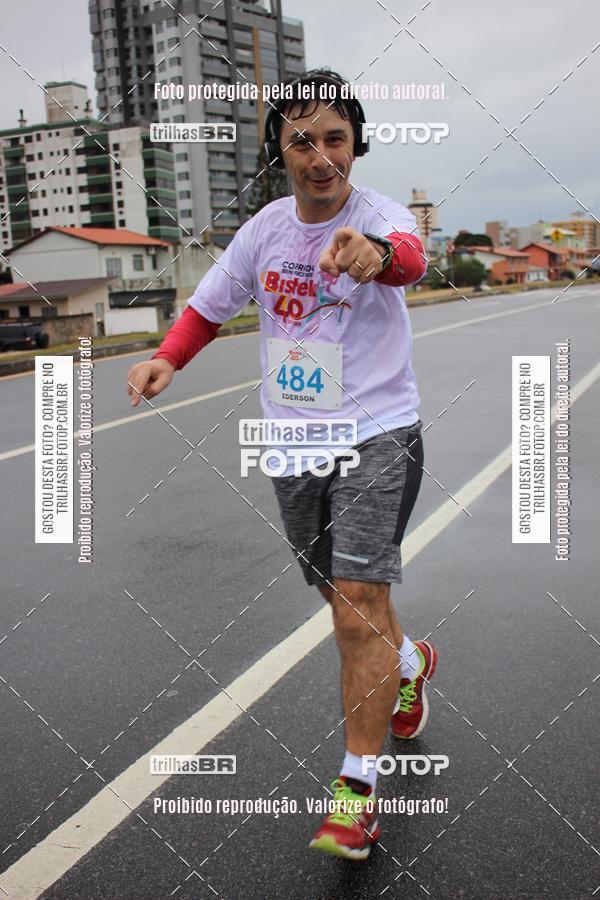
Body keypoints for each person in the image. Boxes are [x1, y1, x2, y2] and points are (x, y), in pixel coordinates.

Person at [126, 68, 438, 861]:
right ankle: (409, 662)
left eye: (335, 138)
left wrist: (373, 255)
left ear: (356, 146)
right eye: (302, 140)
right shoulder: (264, 229)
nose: (320, 155)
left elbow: (409, 257)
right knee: (341, 595)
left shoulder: (379, 217)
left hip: (378, 431)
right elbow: (209, 306)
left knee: (358, 600)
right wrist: (167, 358)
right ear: (281, 151)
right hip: (295, 440)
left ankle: (355, 794)